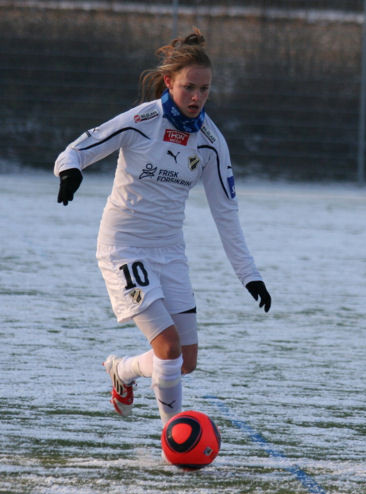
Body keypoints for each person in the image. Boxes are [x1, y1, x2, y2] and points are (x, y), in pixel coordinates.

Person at [54, 28, 271, 427]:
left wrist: (250, 276)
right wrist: (70, 172)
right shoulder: (142, 120)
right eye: (189, 87)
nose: (196, 97)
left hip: (170, 253)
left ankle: (122, 371)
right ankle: (175, 436)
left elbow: (226, 213)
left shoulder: (210, 141)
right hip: (124, 247)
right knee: (168, 348)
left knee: (184, 361)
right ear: (169, 82)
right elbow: (80, 148)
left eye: (204, 90)